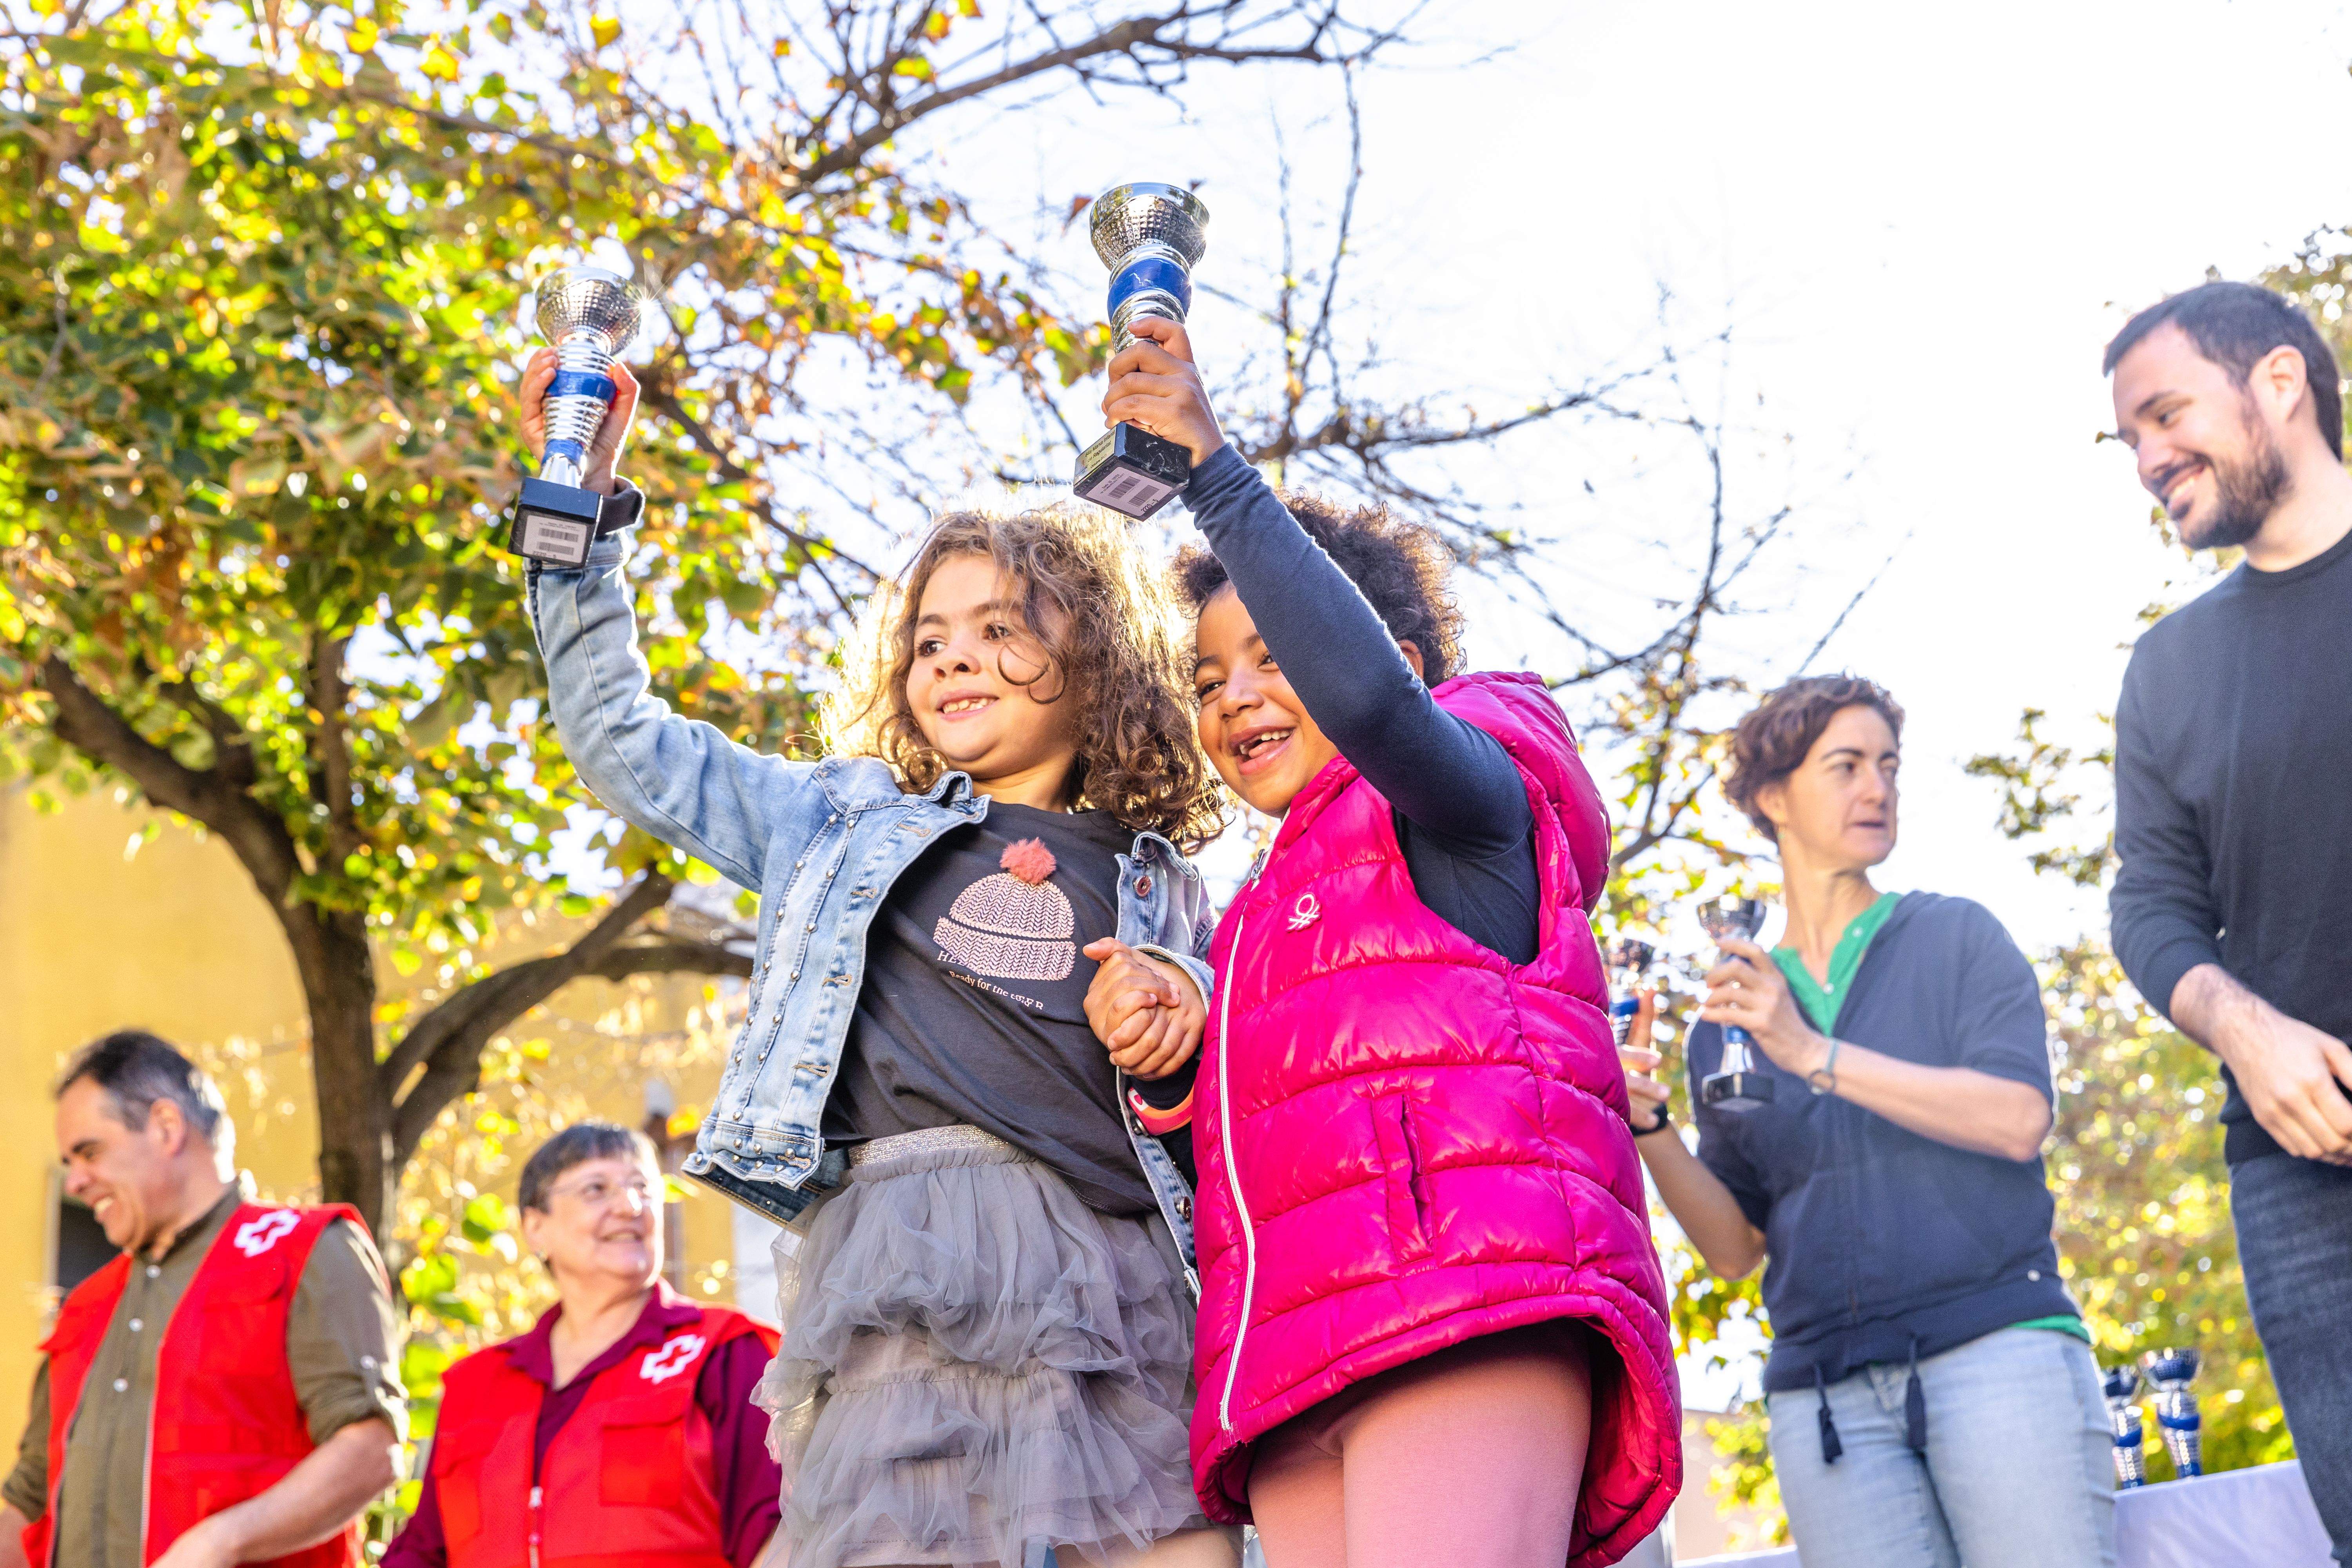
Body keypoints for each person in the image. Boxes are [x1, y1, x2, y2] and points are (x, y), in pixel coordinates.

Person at [515, 350, 1237, 1568]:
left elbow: (1218, 1085)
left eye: (1000, 629)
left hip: (1114, 1289)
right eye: (930, 638)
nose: (951, 658)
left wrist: (1182, 1003)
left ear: (1103, 659)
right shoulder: (835, 821)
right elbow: (621, 741)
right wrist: (575, 518)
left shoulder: (1156, 881)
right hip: (909, 1269)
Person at [1087, 316, 1679, 1568]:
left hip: (1461, 1309)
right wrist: (1171, 1068)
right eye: (1207, 679)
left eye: (1269, 655)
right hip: (1303, 1362)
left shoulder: (1472, 801)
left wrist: (1214, 476)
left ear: (1394, 660)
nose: (1234, 695)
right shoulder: (1252, 923)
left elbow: (1369, 708)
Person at [1613, 676, 2113, 1568]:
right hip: (1823, 1402)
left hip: (1996, 1354)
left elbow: (2016, 1119)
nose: (1877, 789)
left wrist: (1811, 1052)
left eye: (1887, 765)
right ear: (1773, 798)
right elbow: (1734, 1248)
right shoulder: (1725, 1025)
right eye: (1845, 766)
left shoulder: (1957, 937)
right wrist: (1647, 1127)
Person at [2103, 279, 2352, 1559]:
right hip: (2300, 1182)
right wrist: (2250, 1037)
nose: (2147, 459)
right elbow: (2149, 905)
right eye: (2129, 440)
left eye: (2164, 413)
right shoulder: (2169, 669)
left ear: (2277, 382)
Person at [1, 1031, 404, 1568]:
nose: (75, 1182)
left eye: (90, 1152)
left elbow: (371, 1449)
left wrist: (219, 1542)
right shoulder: (87, 1307)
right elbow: (31, 1496)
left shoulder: (306, 1250)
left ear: (167, 1127)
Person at [384, 1123, 782, 1568]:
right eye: (597, 1189)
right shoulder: (474, 1386)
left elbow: (779, 1536)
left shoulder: (723, 1352)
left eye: (644, 1189)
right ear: (536, 1228)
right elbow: (421, 1554)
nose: (631, 1206)